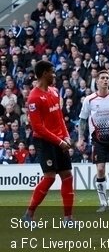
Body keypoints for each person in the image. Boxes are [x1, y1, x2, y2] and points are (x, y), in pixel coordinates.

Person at [23, 61, 74, 225]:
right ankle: (28, 215)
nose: (54, 75)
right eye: (52, 72)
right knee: (50, 177)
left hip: (60, 140)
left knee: (67, 176)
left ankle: (68, 219)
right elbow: (38, 127)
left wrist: (66, 136)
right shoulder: (34, 98)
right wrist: (59, 142)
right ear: (44, 73)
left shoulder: (54, 91)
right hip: (44, 142)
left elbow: (59, 117)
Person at [79, 71, 109, 212]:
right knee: (100, 169)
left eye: (107, 78)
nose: (106, 80)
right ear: (97, 81)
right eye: (103, 78)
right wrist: (80, 138)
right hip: (98, 139)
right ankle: (103, 202)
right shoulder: (89, 100)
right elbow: (83, 119)